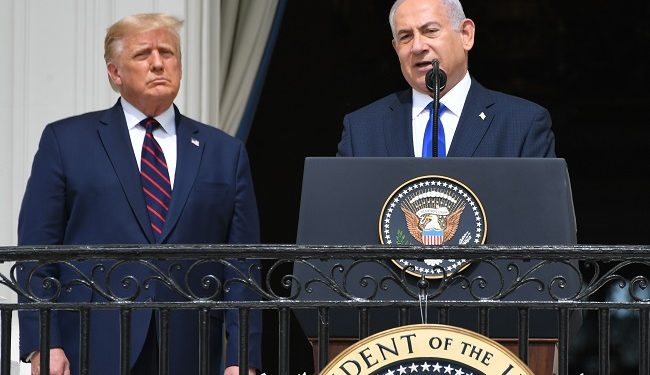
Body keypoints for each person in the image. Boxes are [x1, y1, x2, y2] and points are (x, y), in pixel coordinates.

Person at [17, 13, 260, 375]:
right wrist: (42, 344)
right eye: (143, 54)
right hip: (90, 346)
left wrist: (243, 359)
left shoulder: (225, 152)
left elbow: (243, 267)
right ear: (115, 73)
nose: (159, 63)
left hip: (189, 351)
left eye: (168, 52)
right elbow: (37, 252)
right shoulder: (66, 142)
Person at [337, 0, 556, 158]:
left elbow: (540, 216)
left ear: (466, 35)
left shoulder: (523, 124)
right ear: (396, 48)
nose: (417, 46)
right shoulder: (362, 129)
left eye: (430, 31)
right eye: (405, 36)